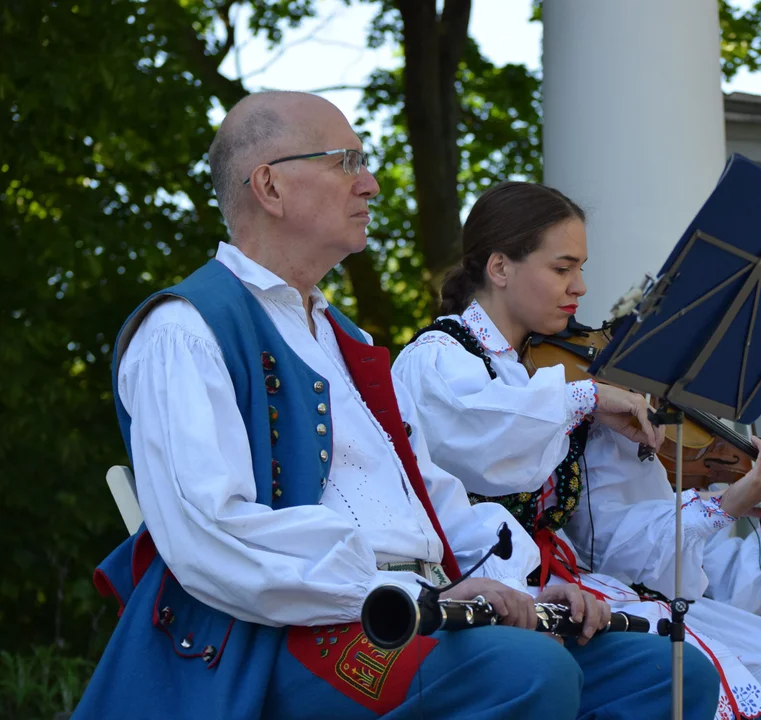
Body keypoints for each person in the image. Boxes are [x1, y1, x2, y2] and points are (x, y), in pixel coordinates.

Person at [73, 92, 720, 720]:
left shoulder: (345, 340)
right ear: (268, 187)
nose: (371, 184)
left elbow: (430, 499)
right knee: (525, 672)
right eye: (345, 162)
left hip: (420, 605)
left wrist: (521, 586)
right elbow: (213, 534)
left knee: (668, 676)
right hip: (287, 634)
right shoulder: (185, 330)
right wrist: (402, 590)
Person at [392, 180, 761, 719]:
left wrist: (718, 492)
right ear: (500, 267)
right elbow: (485, 444)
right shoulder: (439, 356)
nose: (580, 286)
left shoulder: (540, 372)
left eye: (580, 267)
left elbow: (612, 529)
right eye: (562, 268)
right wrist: (587, 396)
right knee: (719, 671)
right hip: (479, 594)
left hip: (564, 585)